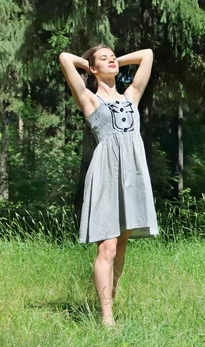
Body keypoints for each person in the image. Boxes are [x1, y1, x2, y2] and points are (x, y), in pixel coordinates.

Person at [59, 45, 158, 326]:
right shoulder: (89, 100)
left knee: (122, 244)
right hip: (106, 174)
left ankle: (109, 302)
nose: (112, 59)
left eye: (113, 56)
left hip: (132, 175)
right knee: (108, 247)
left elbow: (148, 55)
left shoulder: (131, 97)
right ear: (92, 69)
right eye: (105, 58)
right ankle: (107, 319)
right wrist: (90, 62)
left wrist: (112, 60)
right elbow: (65, 59)